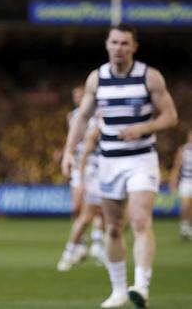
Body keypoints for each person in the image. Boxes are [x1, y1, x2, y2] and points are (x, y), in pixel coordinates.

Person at [61, 23, 178, 308]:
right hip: (109, 161)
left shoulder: (149, 77)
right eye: (114, 43)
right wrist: (67, 152)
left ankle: (141, 285)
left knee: (138, 220)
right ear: (107, 45)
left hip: (141, 159)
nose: (119, 48)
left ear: (134, 47)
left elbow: (171, 116)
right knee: (113, 227)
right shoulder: (96, 78)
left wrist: (144, 127)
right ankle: (118, 291)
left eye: (125, 43)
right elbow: (81, 118)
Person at [57, 119, 106, 271]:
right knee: (85, 216)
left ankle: (98, 245)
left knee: (110, 216)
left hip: (109, 173)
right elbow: (86, 150)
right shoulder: (96, 127)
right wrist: (83, 178)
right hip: (95, 174)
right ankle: (70, 251)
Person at [169, 129, 192, 240]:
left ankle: (188, 227)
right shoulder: (183, 150)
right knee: (185, 205)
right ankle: (184, 227)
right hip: (186, 181)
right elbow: (177, 167)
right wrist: (173, 181)